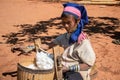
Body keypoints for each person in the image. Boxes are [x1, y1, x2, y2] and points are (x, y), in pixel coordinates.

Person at [44, 2, 96, 80]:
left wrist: (68, 68)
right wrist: (31, 47)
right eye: (63, 23)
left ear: (77, 21)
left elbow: (88, 64)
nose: (66, 26)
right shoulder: (65, 37)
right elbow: (49, 45)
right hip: (64, 69)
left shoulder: (83, 42)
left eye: (68, 23)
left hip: (78, 73)